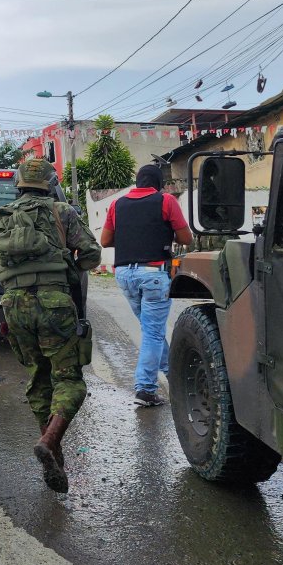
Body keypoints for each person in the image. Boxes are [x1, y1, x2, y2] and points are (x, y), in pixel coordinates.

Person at [0, 158, 101, 493]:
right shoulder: (63, 212)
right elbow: (92, 255)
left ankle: (55, 454)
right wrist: (67, 265)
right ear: (49, 183)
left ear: (18, 184)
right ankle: (49, 441)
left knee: (39, 376)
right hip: (54, 303)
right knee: (70, 380)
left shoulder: (3, 217)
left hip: (14, 306)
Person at [100, 164, 193, 407]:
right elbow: (186, 239)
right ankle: (145, 388)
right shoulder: (166, 201)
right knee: (153, 332)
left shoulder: (117, 204)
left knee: (151, 330)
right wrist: (163, 233)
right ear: (159, 183)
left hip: (124, 275)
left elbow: (105, 240)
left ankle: (175, 376)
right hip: (153, 273)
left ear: (137, 182)